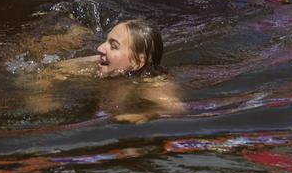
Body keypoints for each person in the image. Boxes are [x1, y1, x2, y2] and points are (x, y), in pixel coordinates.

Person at [23, 19, 183, 122]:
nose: (99, 48)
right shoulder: (94, 65)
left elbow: (176, 110)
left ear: (136, 62)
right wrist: (42, 102)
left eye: (113, 46)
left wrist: (143, 115)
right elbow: (48, 72)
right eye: (105, 41)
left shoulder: (152, 83)